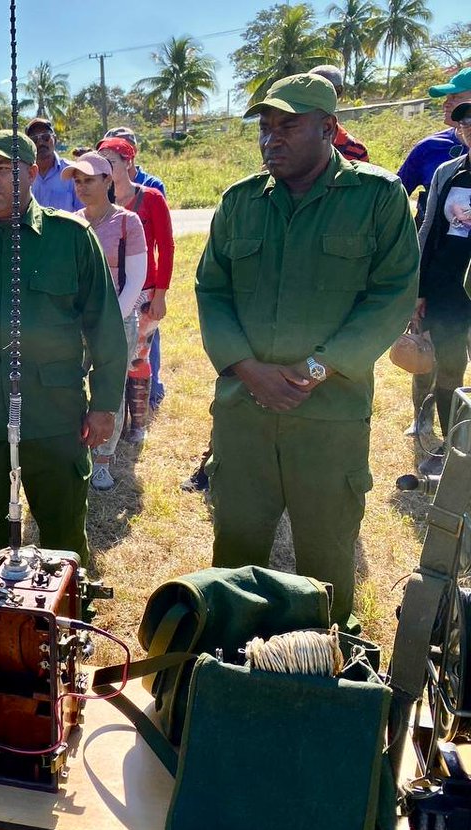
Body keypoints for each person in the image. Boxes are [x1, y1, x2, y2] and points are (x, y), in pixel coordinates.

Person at [196, 73, 418, 632]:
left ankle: (325, 674)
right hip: (245, 411)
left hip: (329, 415)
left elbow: (393, 295)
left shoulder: (377, 197)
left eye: (288, 126)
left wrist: (316, 368)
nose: (272, 138)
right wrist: (248, 370)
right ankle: (228, 667)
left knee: (326, 555)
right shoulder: (240, 202)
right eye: (265, 128)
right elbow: (211, 291)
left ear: (329, 128)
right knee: (236, 550)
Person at [0, 130, 127, 565]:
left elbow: (105, 327)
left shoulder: (70, 238)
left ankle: (70, 621)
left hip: (55, 415)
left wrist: (105, 403)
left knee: (64, 532)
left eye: (3, 170)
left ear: (32, 174)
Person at [65, 151, 147, 491]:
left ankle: (103, 461)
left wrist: (110, 320)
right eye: (78, 181)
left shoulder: (128, 222)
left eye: (89, 180)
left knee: (108, 392)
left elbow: (136, 278)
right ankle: (75, 449)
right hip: (74, 324)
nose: (82, 187)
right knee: (69, 388)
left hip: (116, 322)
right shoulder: (71, 222)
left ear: (108, 181)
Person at [97, 136, 174, 444]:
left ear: (128, 163)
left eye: (110, 162)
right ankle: (113, 422)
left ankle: (138, 424)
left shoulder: (152, 198)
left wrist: (161, 295)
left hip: (144, 291)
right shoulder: (99, 200)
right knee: (112, 357)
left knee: (139, 357)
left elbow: (166, 247)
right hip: (109, 293)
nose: (105, 169)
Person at [411, 100, 471, 475]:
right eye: (466, 126)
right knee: (449, 371)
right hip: (447, 291)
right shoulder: (448, 173)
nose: (470, 130)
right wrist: (418, 287)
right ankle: (456, 449)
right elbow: (430, 228)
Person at [399, 68, 471, 228]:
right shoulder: (428, 147)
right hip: (433, 249)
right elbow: (394, 197)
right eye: (447, 98)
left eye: (456, 97)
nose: (446, 104)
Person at [307, 65, 370, 163]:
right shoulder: (290, 142)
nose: (313, 97)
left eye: (321, 90)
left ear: (339, 91)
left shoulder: (357, 150)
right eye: (308, 91)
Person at [27, 116, 80, 211]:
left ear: (55, 139)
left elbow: (83, 212)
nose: (40, 142)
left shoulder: (73, 171)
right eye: (34, 139)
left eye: (45, 137)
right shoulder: (21, 175)